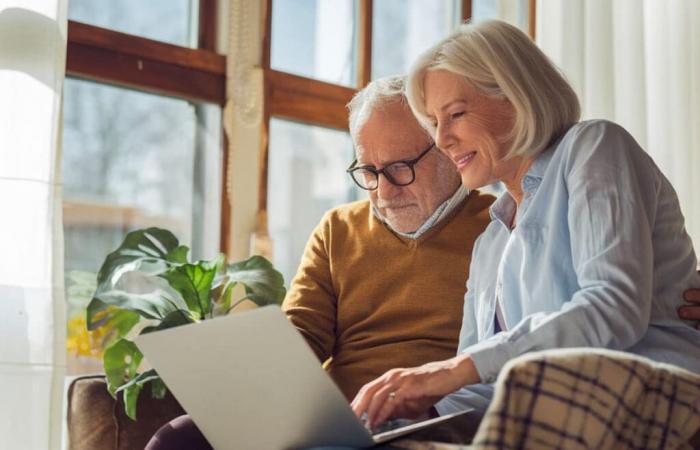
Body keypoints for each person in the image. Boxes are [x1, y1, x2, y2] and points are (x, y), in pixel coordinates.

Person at [351, 20, 700, 429]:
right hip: (555, 409)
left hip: (651, 392)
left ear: (518, 97)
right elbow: (484, 384)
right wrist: (406, 418)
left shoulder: (593, 147)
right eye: (434, 122)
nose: (443, 139)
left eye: (456, 114)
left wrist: (455, 370)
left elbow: (613, 306)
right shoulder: (490, 242)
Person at [281, 75, 495, 400]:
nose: (384, 191)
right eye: (369, 171)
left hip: (436, 421)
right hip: (340, 418)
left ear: (446, 150)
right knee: (182, 432)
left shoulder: (499, 225)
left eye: (399, 167)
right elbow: (300, 334)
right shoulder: (337, 228)